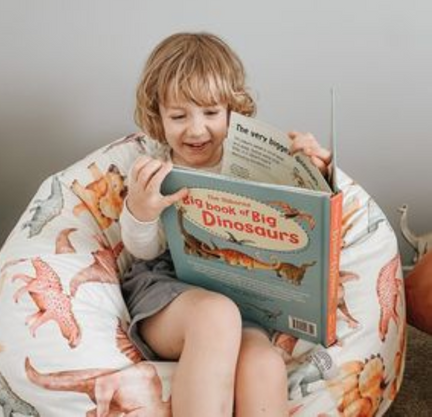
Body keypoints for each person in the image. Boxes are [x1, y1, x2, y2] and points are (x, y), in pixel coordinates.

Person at [119, 32, 332, 417]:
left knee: (262, 363)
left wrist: (315, 169)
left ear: (233, 112)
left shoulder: (254, 162)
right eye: (179, 116)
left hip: (242, 291)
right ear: (158, 117)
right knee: (216, 316)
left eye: (211, 113)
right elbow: (141, 250)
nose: (197, 130)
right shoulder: (153, 166)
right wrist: (141, 210)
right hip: (170, 292)